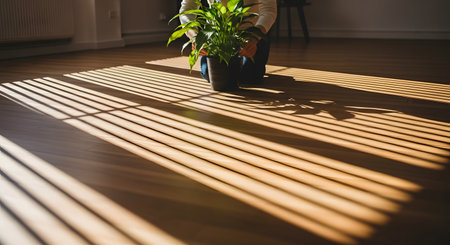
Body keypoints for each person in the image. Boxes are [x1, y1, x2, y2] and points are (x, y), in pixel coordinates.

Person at [179, 0, 277, 84]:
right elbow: (186, 10)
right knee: (213, 75)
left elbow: (269, 10)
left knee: (249, 76)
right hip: (217, 36)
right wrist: (195, 37)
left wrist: (254, 39)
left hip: (251, 34)